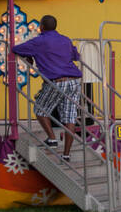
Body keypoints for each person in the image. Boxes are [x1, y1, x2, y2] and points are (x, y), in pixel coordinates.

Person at [11, 14, 82, 160]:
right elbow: (76, 57)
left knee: (40, 109)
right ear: (55, 26)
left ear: (41, 27)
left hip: (57, 81)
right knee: (69, 118)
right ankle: (66, 155)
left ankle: (52, 138)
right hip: (74, 81)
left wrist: (29, 57)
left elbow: (16, 48)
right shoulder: (65, 40)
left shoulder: (39, 41)